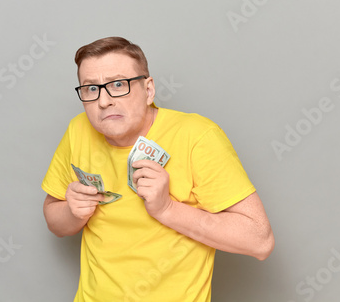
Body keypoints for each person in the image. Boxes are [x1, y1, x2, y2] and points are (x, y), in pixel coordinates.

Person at [42, 37, 274, 302]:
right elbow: (54, 220)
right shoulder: (78, 130)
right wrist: (73, 213)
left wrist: (167, 209)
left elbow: (260, 241)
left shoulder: (197, 136)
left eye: (119, 84)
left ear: (148, 90)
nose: (104, 101)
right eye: (91, 89)